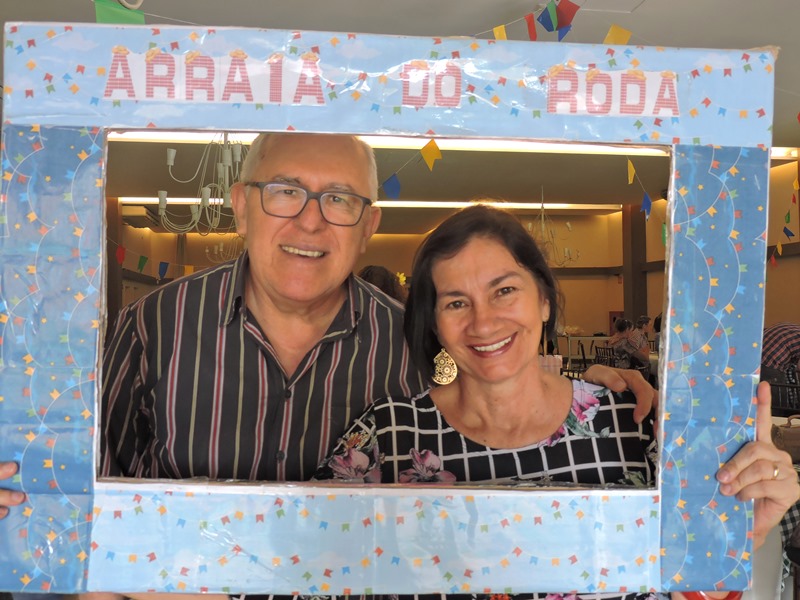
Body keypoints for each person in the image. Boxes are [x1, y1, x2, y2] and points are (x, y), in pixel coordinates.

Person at [0, 134, 654, 515]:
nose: (310, 222)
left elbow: (486, 386)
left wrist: (591, 385)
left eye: (339, 200)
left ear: (368, 226)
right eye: (285, 191)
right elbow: (78, 486)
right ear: (241, 206)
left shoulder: (408, 342)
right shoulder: (154, 326)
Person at [314, 204, 799, 600]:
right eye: (456, 302)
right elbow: (307, 571)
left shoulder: (635, 425)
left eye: (504, 290)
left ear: (544, 301)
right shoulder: (386, 439)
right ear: (434, 322)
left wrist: (741, 533)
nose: (483, 323)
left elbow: (695, 587)